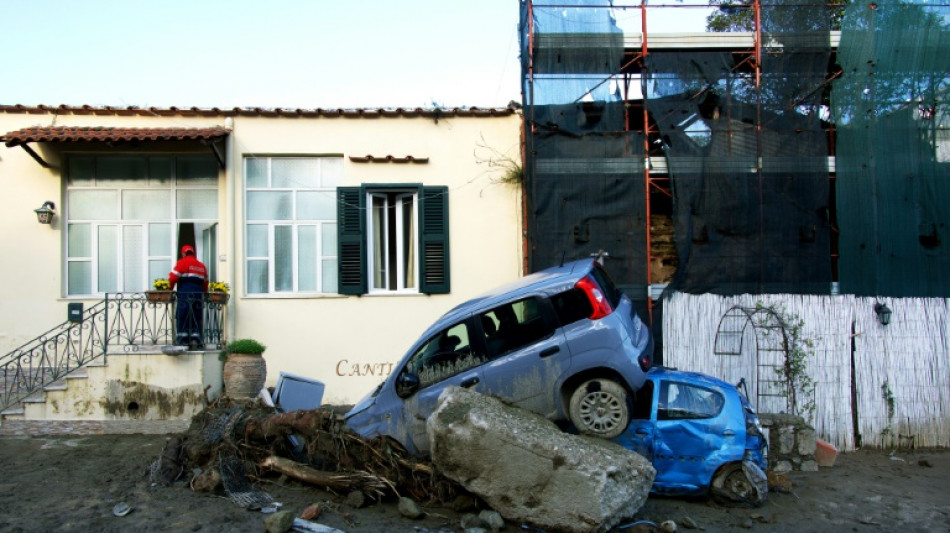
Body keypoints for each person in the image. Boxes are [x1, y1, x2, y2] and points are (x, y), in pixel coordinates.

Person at [169, 244, 208, 348]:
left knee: (182, 315)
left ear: (183, 253)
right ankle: (196, 338)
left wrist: (169, 289)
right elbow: (205, 282)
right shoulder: (201, 265)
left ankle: (183, 339)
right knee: (196, 315)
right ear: (193, 253)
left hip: (185, 291)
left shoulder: (182, 263)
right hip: (198, 293)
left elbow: (173, 278)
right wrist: (204, 292)